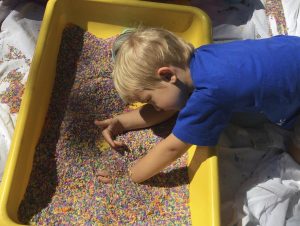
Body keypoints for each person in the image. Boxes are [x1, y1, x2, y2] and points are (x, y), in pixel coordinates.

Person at [94, 27, 300, 183]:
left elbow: (172, 148)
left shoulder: (210, 94)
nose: (155, 107)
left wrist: (128, 176)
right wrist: (122, 122)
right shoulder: (199, 60)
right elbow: (170, 105)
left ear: (167, 75)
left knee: (294, 152)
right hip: (292, 49)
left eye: (149, 100)